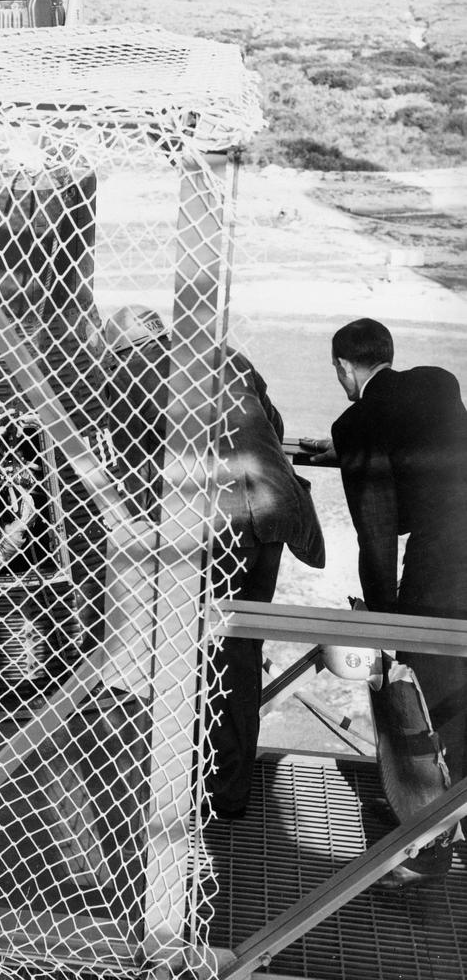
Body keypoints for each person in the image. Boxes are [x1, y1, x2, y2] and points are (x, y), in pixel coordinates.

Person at [88, 305, 325, 820]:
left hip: (220, 525)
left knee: (197, 649)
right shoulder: (225, 356)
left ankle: (200, 783)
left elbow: (134, 474)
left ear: (119, 348)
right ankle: (229, 783)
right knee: (240, 646)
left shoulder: (132, 373)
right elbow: (274, 423)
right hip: (274, 511)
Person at [322, 317, 467, 886]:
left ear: (342, 367)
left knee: (430, 706)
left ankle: (426, 850)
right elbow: (431, 463)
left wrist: (386, 625)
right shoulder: (438, 380)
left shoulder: (355, 423)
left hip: (447, 570)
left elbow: (378, 535)